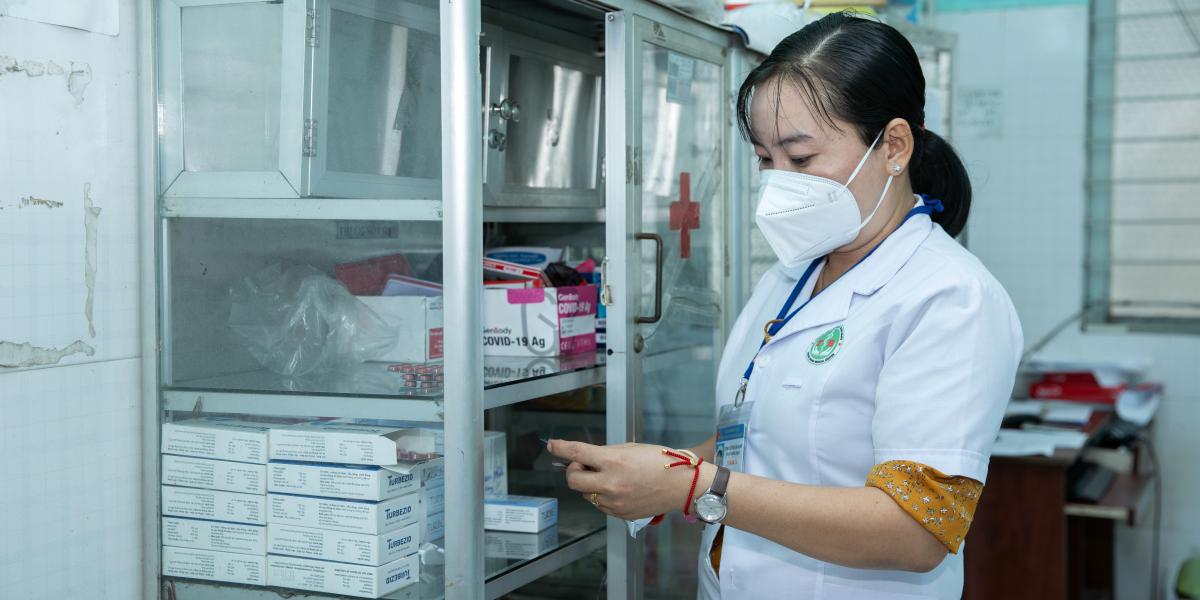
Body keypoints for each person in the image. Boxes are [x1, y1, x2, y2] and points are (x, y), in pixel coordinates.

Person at [548, 11, 1022, 600]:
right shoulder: (792, 276)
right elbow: (765, 440)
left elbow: (917, 531)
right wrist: (658, 470)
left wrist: (694, 487)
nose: (779, 184)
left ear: (893, 145)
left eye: (801, 159)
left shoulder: (950, 297)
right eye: (765, 160)